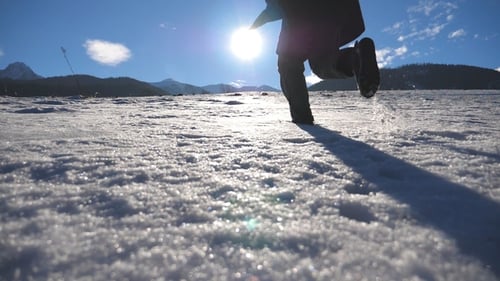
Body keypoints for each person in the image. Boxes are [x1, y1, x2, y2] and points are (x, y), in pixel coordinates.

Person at [251, 0, 380, 124]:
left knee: (289, 63)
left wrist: (256, 23)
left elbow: (276, 7)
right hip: (337, 10)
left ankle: (302, 118)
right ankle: (356, 58)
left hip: (302, 10)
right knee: (322, 61)